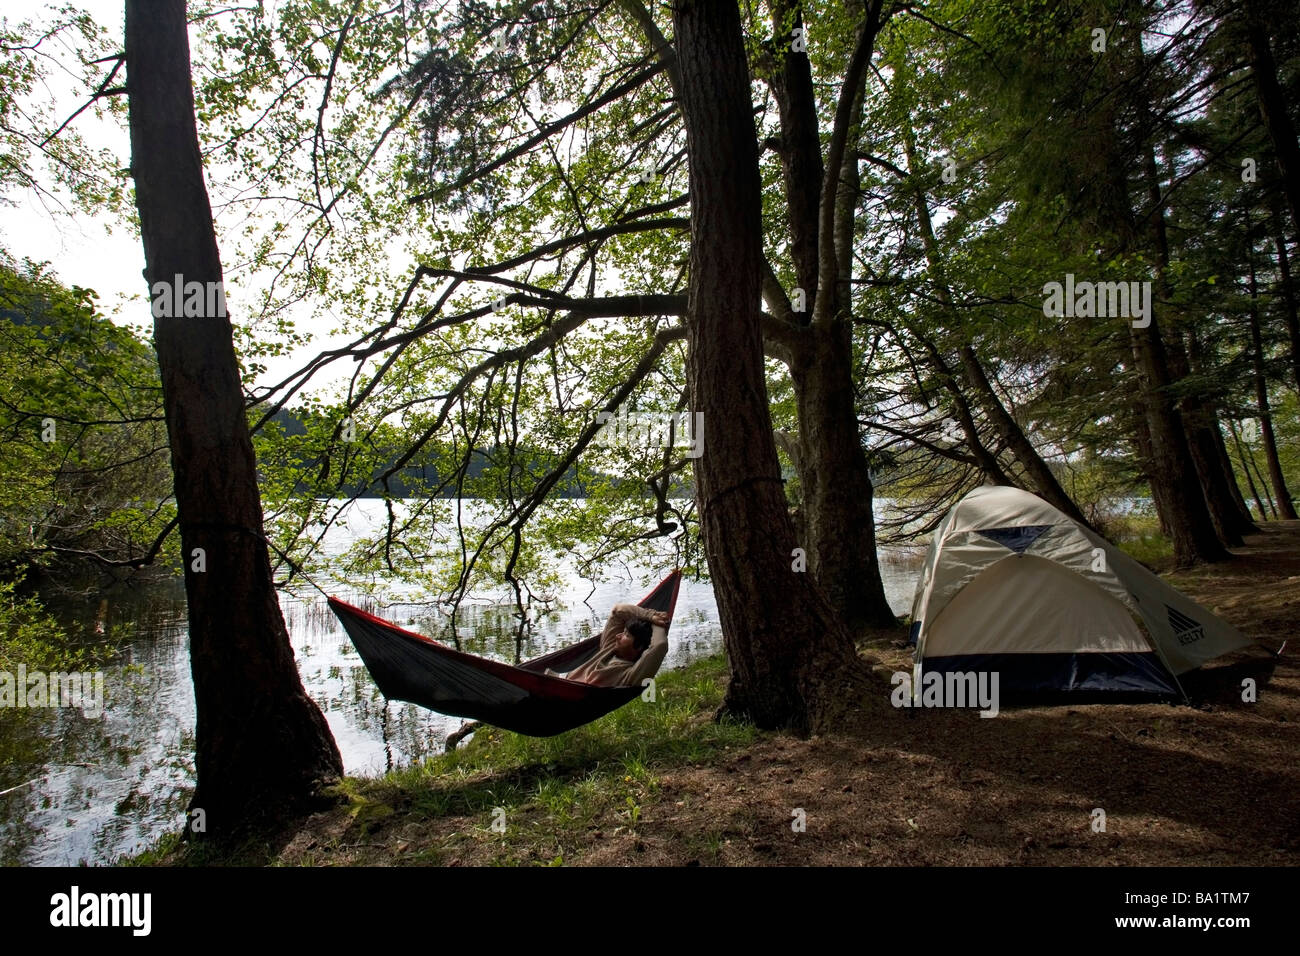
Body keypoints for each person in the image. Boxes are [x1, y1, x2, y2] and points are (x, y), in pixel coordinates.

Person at [564, 603, 670, 687]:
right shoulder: (609, 647)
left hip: (571, 698)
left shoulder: (631, 674)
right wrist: (651, 616)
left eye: (626, 635)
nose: (618, 636)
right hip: (560, 684)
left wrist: (660, 623)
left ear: (639, 647)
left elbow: (660, 645)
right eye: (623, 631)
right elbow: (618, 611)